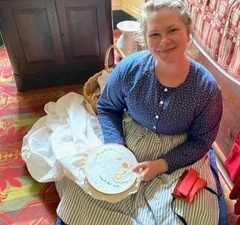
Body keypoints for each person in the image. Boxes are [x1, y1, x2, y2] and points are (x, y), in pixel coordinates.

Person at [55, 0, 227, 224]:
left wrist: (161, 165)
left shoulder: (207, 88)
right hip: (130, 140)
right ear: (145, 40)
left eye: (173, 30)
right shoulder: (130, 68)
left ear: (188, 32)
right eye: (154, 34)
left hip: (179, 155)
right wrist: (117, 146)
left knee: (196, 215)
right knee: (83, 193)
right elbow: (108, 107)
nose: (164, 41)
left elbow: (201, 141)